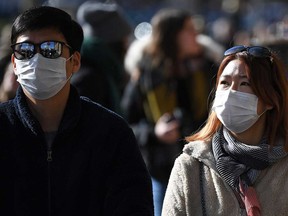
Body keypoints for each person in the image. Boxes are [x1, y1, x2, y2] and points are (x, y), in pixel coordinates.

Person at [0, 6, 153, 215]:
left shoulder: (111, 133)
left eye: (50, 49)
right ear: (15, 63)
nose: (36, 60)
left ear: (75, 62)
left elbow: (134, 206)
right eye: (25, 50)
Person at [162, 45, 288, 215]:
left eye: (244, 83)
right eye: (225, 83)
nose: (231, 93)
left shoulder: (283, 166)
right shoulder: (190, 166)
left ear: (270, 99)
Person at [121, 8, 217, 216]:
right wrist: (155, 133)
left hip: (206, 166)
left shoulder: (207, 66)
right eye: (190, 29)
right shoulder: (145, 75)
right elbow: (125, 126)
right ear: (173, 36)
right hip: (161, 171)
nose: (196, 34)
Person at [71, 1, 132, 114]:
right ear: (114, 44)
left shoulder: (104, 71)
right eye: (124, 41)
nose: (127, 47)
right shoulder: (89, 79)